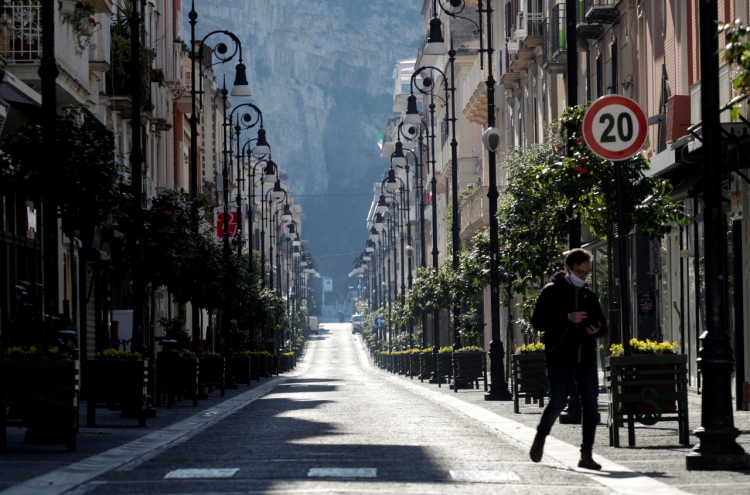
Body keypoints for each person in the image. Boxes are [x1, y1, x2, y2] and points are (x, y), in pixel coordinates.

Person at [529, 248, 606, 470]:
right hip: (559, 357)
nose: (583, 277)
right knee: (558, 401)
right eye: (579, 272)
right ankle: (541, 436)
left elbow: (602, 324)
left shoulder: (589, 296)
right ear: (567, 269)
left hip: (587, 358)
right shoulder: (551, 292)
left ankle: (586, 454)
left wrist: (597, 329)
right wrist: (566, 318)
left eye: (586, 273)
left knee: (591, 406)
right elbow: (538, 321)